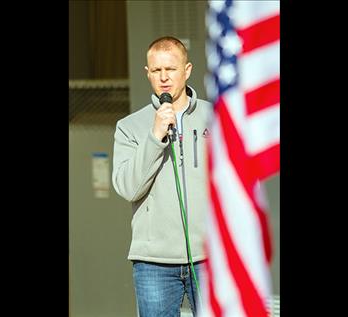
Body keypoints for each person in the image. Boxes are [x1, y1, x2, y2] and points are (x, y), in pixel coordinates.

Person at [112, 36, 212, 317]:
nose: (164, 78)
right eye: (156, 71)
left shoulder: (215, 117)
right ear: (147, 73)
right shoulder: (129, 127)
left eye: (171, 69)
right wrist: (155, 136)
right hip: (153, 262)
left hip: (209, 258)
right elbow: (128, 188)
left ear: (187, 70)